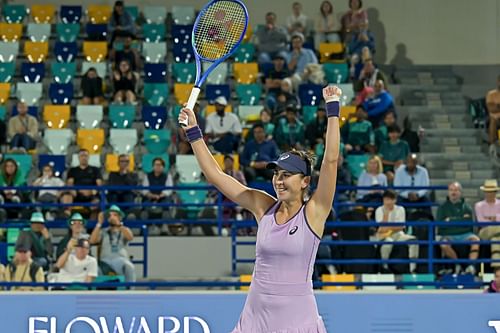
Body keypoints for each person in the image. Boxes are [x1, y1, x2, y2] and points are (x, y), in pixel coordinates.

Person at [178, 85, 342, 332]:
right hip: (256, 317)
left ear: (305, 181)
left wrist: (332, 109)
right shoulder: (262, 206)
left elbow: (330, 161)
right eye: (276, 174)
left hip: (296, 320)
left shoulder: (314, 212)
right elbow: (215, 176)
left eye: (287, 175)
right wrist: (193, 132)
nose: (279, 180)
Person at [436, 181, 479, 275]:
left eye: (456, 190)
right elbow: (441, 225)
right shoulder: (442, 207)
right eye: (451, 190)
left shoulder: (467, 207)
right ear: (448, 192)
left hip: (465, 234)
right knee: (443, 244)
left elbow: (468, 224)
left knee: (475, 240)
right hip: (447, 234)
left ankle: (470, 266)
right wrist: (460, 221)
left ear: (460, 192)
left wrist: (450, 221)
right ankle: (458, 264)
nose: (453, 192)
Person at [374, 190, 418, 272]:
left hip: (399, 234)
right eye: (386, 199)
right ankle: (384, 267)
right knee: (388, 243)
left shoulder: (400, 209)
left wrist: (388, 227)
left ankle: (413, 267)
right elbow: (382, 229)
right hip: (384, 236)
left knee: (413, 240)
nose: (388, 202)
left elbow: (401, 227)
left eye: (390, 199)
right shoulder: (379, 210)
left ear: (395, 200)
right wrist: (386, 215)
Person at [90, 205, 135, 282]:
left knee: (129, 266)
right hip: (105, 261)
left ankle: (130, 291)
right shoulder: (103, 231)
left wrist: (118, 224)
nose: (112, 217)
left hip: (120, 261)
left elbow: (130, 237)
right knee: (94, 269)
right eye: (110, 215)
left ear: (120, 217)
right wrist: (99, 223)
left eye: (115, 215)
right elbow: (92, 240)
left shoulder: (124, 230)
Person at [66, 149, 103, 219]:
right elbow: (70, 183)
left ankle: (91, 227)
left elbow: (99, 184)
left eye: (86, 156)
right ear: (78, 157)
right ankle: (68, 217)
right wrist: (78, 191)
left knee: (97, 203)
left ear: (88, 157)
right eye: (82, 156)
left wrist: (92, 191)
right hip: (77, 194)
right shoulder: (73, 170)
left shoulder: (95, 170)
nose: (84, 158)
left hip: (92, 194)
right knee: (68, 196)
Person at [141, 157, 174, 227]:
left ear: (163, 167)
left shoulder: (167, 176)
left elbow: (169, 189)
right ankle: (144, 227)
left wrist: (161, 195)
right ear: (153, 166)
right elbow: (144, 190)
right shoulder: (147, 176)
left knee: (166, 204)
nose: (158, 167)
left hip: (163, 197)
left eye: (160, 165)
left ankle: (165, 227)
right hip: (150, 197)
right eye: (156, 165)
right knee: (145, 204)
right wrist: (151, 195)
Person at [475, 180, 500, 268]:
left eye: (491, 192)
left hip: (496, 234)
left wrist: (492, 218)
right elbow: (482, 222)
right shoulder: (479, 205)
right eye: (487, 192)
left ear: (495, 192)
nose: (489, 194)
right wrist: (496, 219)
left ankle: (496, 265)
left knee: (495, 239)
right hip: (484, 231)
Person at [487, 75, 500, 156]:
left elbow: (495, 107)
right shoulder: (491, 94)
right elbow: (491, 108)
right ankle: (492, 145)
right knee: (493, 120)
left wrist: (497, 106)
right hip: (495, 118)